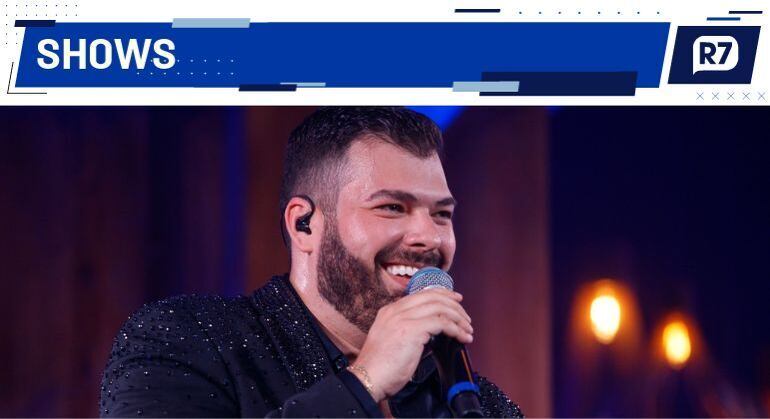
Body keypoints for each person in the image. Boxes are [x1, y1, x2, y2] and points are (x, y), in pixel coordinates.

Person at [100, 107, 523, 418]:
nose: (429, 237)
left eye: (442, 214)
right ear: (304, 224)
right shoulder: (186, 341)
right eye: (392, 207)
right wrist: (365, 382)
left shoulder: (479, 404)